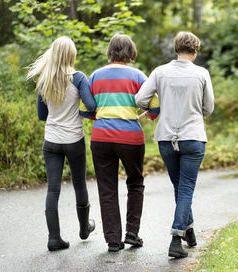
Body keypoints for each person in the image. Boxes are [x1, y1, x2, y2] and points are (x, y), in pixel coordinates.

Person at [135, 31, 214, 258]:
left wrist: (160, 102)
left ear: (176, 49)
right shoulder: (202, 73)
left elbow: (139, 99)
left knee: (180, 188)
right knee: (186, 188)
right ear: (195, 51)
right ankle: (176, 239)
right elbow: (208, 108)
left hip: (166, 138)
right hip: (193, 137)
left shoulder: (160, 72)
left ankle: (188, 231)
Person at [87, 34, 159, 252]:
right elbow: (155, 103)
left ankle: (113, 240)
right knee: (135, 182)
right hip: (130, 137)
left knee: (106, 187)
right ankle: (132, 233)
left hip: (101, 137)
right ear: (131, 52)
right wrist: (148, 114)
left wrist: (100, 116)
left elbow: (86, 108)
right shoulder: (138, 76)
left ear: (110, 51)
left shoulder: (95, 76)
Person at [26, 36, 96, 251]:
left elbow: (41, 115)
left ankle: (54, 238)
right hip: (74, 140)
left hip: (51, 142)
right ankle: (84, 229)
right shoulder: (78, 78)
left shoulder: (43, 80)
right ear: (71, 55)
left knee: (53, 189)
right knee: (79, 184)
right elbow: (92, 106)